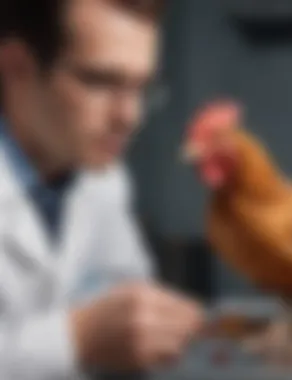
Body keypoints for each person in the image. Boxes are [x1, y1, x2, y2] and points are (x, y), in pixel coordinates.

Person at [0, 0, 204, 379]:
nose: (130, 116)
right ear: (17, 69)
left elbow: (125, 295)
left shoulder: (103, 178)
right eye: (100, 81)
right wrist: (76, 338)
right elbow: (89, 336)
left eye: (141, 87)